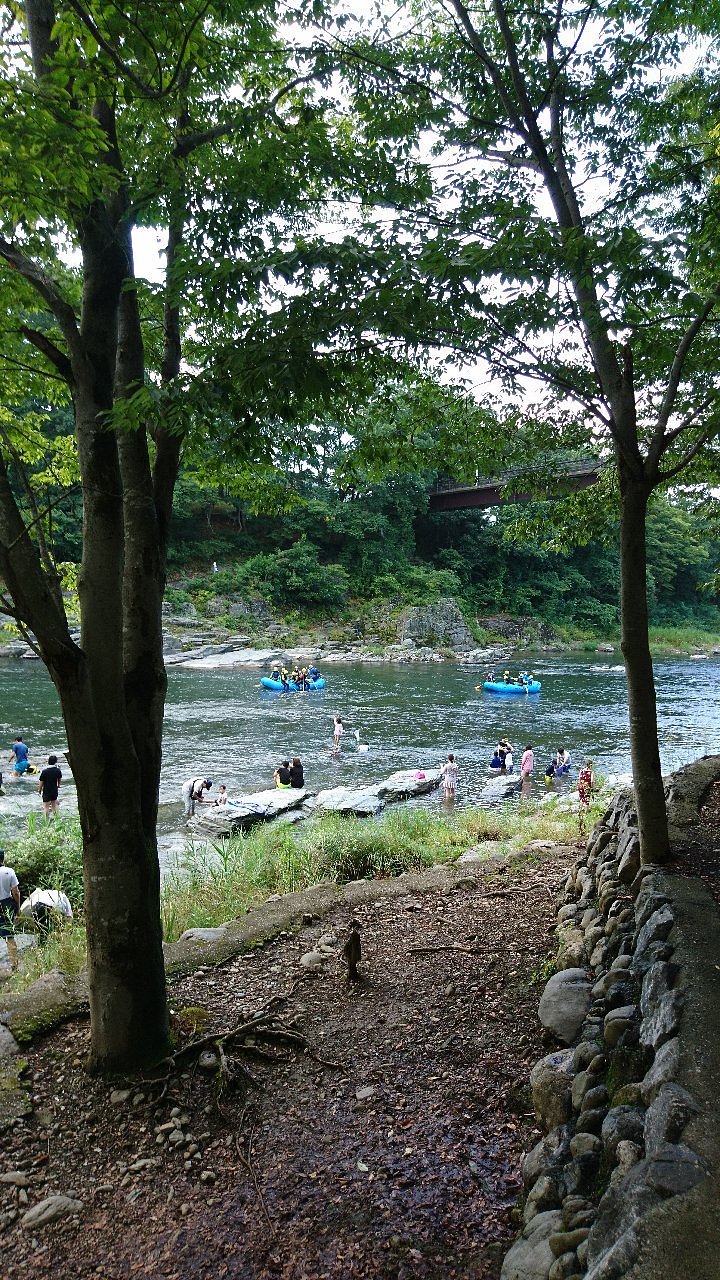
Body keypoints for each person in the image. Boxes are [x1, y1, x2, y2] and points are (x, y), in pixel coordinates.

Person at [0, 850, 20, 971]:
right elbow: (15, 892)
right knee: (9, 936)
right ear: (3, 858)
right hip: (6, 905)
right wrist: (17, 908)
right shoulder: (9, 871)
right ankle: (13, 965)